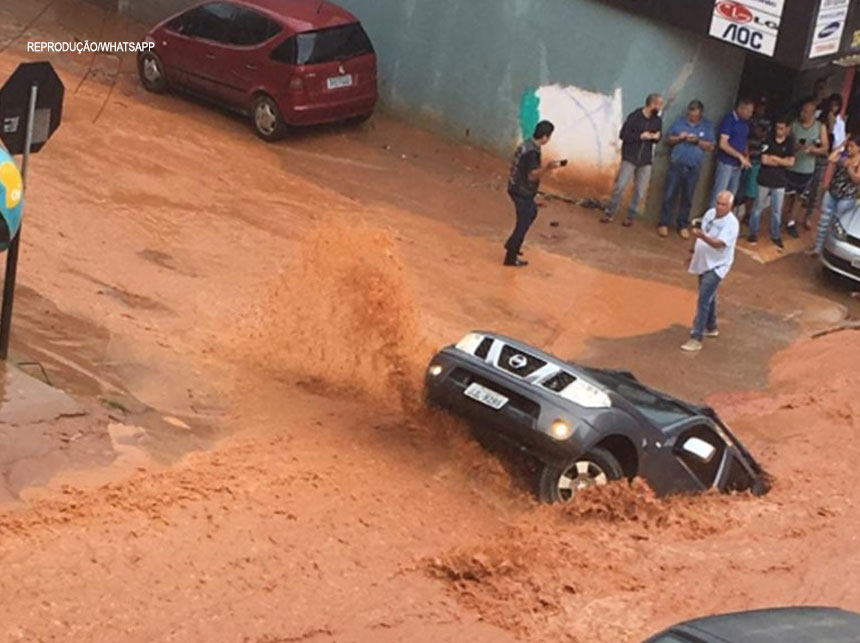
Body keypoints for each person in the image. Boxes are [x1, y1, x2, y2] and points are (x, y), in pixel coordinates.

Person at [681, 191, 739, 353]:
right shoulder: (710, 214)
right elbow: (701, 233)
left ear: (730, 206)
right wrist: (692, 252)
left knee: (703, 299)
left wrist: (702, 237)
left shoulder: (732, 224)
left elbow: (719, 244)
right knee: (708, 294)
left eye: (723, 205)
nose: (719, 207)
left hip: (718, 265)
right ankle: (711, 326)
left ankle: (696, 337)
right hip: (704, 262)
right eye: (718, 203)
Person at [504, 120, 564, 267]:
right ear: (544, 136)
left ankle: (512, 244)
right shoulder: (533, 152)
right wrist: (547, 168)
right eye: (549, 136)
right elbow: (532, 175)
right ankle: (511, 256)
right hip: (522, 190)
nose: (548, 139)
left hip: (516, 186)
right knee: (523, 223)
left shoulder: (527, 144)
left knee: (532, 212)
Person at [602, 93, 663, 227]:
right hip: (630, 157)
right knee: (620, 186)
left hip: (646, 160)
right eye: (659, 104)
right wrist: (640, 136)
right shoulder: (635, 117)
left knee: (640, 191)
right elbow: (623, 135)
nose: (660, 107)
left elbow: (659, 137)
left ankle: (631, 216)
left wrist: (656, 136)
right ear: (652, 104)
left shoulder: (657, 120)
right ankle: (610, 212)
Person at [658, 100, 715, 239]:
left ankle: (682, 225)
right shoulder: (679, 122)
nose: (692, 117)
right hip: (677, 164)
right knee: (669, 195)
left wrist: (697, 141)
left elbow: (711, 146)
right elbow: (668, 139)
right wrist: (680, 138)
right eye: (690, 114)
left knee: (687, 197)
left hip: (693, 167)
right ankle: (663, 223)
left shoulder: (707, 125)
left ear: (700, 113)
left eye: (695, 115)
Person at [782, 98, 828, 239]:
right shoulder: (794, 125)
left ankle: (791, 221)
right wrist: (792, 147)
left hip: (807, 168)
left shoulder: (820, 127)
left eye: (807, 112)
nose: (803, 114)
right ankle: (783, 218)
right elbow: (783, 140)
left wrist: (813, 150)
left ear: (813, 114)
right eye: (802, 111)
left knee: (800, 197)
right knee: (787, 195)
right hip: (791, 165)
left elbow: (825, 148)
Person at [748, 116, 795, 248]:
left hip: (780, 181)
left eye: (781, 128)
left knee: (776, 211)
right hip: (764, 179)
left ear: (787, 129)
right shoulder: (768, 139)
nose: (778, 131)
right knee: (758, 208)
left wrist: (774, 158)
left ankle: (776, 235)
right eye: (777, 128)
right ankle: (753, 232)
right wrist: (782, 161)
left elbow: (791, 162)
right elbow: (764, 160)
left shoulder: (790, 142)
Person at [809, 136, 860, 256]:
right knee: (824, 220)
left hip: (847, 196)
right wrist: (842, 145)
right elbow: (831, 158)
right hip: (833, 190)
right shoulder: (843, 155)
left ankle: (827, 249)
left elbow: (857, 179)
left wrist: (849, 168)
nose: (849, 148)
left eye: (852, 146)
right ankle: (818, 247)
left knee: (837, 223)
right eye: (849, 145)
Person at [804, 93, 847, 230]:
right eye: (832, 105)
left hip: (824, 157)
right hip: (811, 153)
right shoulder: (818, 116)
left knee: (817, 187)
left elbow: (839, 142)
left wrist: (832, 125)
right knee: (805, 185)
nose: (834, 108)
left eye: (837, 106)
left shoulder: (839, 122)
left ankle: (808, 216)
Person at [710, 99, 754, 208]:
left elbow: (744, 142)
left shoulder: (745, 123)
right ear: (741, 108)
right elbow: (723, 144)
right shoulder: (729, 120)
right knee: (719, 195)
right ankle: (711, 220)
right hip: (726, 163)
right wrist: (739, 156)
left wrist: (746, 155)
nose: (750, 114)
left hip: (738, 165)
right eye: (748, 111)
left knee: (730, 197)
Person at [738, 98, 772, 225]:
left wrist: (760, 132)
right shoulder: (748, 119)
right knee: (739, 186)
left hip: (756, 158)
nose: (761, 109)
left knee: (751, 189)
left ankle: (747, 214)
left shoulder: (766, 121)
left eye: (763, 106)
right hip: (742, 156)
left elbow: (766, 137)